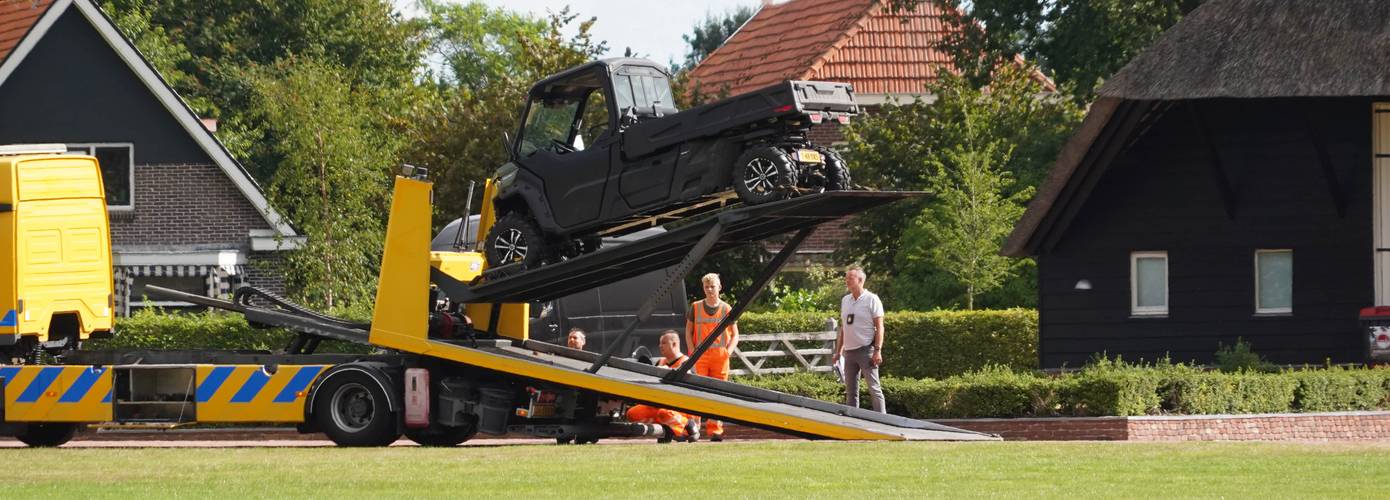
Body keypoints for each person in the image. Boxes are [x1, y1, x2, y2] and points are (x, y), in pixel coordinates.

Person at [685, 273, 738, 441]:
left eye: (712, 286)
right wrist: (692, 352)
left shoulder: (727, 308)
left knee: (717, 394)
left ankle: (715, 431)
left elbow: (736, 335)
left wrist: (727, 353)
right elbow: (688, 331)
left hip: (720, 358)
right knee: (697, 393)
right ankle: (693, 431)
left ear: (719, 287)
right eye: (706, 287)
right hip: (699, 356)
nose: (709, 290)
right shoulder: (695, 307)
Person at [625, 331, 699, 442]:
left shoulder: (686, 362)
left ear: (674, 344)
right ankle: (667, 430)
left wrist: (668, 372)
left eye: (664, 343)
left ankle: (688, 425)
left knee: (664, 413)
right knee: (632, 414)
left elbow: (690, 390)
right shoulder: (660, 362)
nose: (660, 346)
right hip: (658, 404)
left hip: (681, 407)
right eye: (660, 343)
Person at [832, 265, 886, 413]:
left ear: (861, 280)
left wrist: (877, 350)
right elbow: (844, 327)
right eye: (846, 278)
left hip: (866, 350)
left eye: (851, 278)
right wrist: (838, 352)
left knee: (874, 389)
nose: (847, 280)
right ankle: (852, 426)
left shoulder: (872, 299)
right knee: (850, 393)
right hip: (848, 353)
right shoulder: (845, 300)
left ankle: (884, 423)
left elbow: (880, 327)